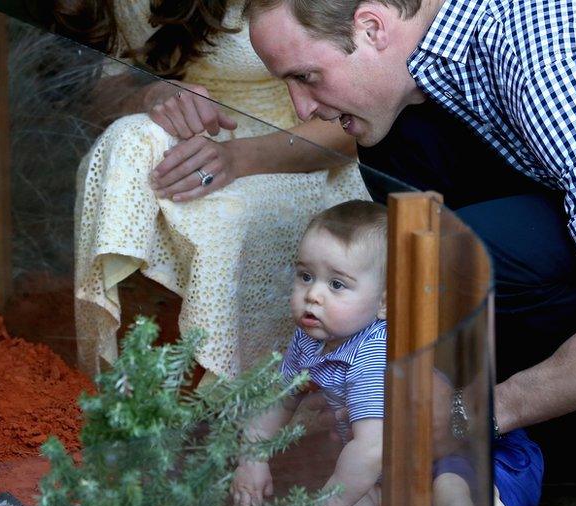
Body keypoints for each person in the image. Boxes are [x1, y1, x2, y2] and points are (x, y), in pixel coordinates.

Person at [244, 0, 576, 506]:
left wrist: (468, 417)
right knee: (402, 175)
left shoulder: (548, 58)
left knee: (460, 254)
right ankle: (566, 438)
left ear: (373, 26)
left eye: (307, 77)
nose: (302, 108)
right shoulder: (431, 78)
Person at [65, 0, 372, 379]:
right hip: (200, 139)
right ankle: (110, 366)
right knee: (124, 139)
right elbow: (101, 93)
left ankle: (234, 385)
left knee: (227, 216)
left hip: (304, 149)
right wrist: (150, 94)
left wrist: (238, 158)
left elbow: (363, 116)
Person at [231, 200, 525, 506]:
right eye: (306, 276)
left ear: (385, 303)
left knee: (454, 491)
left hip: (461, 453)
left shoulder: (374, 354)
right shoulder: (310, 338)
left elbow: (371, 450)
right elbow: (280, 399)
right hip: (387, 474)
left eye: (337, 284)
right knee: (353, 500)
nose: (313, 295)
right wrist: (253, 456)